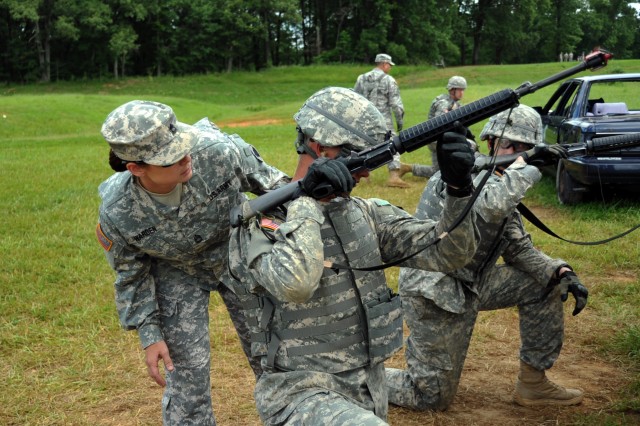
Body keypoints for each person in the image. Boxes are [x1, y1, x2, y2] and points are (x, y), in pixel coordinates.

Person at [228, 87, 479, 425]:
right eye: (360, 157)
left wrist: (459, 189)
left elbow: (450, 253)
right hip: (301, 395)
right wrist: (308, 199)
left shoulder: (365, 214)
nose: (366, 173)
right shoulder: (262, 223)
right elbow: (296, 285)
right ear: (320, 148)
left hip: (369, 390)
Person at [96, 100, 289, 425]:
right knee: (186, 376)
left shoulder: (219, 152)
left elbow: (281, 191)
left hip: (237, 252)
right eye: (172, 157)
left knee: (273, 353)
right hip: (177, 271)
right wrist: (150, 332)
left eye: (185, 145)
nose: (188, 158)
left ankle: (292, 415)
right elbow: (131, 273)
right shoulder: (118, 212)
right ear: (137, 168)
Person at [386, 104, 589, 411]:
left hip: (474, 282)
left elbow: (517, 247)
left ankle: (533, 384)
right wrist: (529, 165)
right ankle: (357, 376)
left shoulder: (505, 182)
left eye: (526, 147)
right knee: (429, 398)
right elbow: (491, 205)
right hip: (435, 291)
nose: (517, 153)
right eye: (509, 145)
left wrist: (560, 270)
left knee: (545, 281)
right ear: (491, 142)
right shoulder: (459, 174)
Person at [354, 53, 411, 188]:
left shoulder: (361, 78)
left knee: (362, 146)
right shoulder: (389, 80)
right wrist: (400, 121)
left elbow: (355, 98)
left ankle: (360, 175)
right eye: (389, 65)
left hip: (364, 120)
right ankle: (394, 176)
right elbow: (396, 104)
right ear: (384, 64)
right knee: (393, 144)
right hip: (383, 121)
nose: (390, 68)